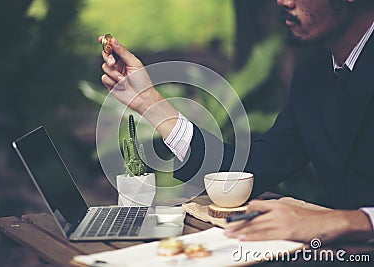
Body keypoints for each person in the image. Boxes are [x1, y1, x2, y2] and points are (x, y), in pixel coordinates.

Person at [100, 0, 374, 244]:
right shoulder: (316, 70)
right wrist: (150, 102)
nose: (283, 2)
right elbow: (248, 171)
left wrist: (342, 221)